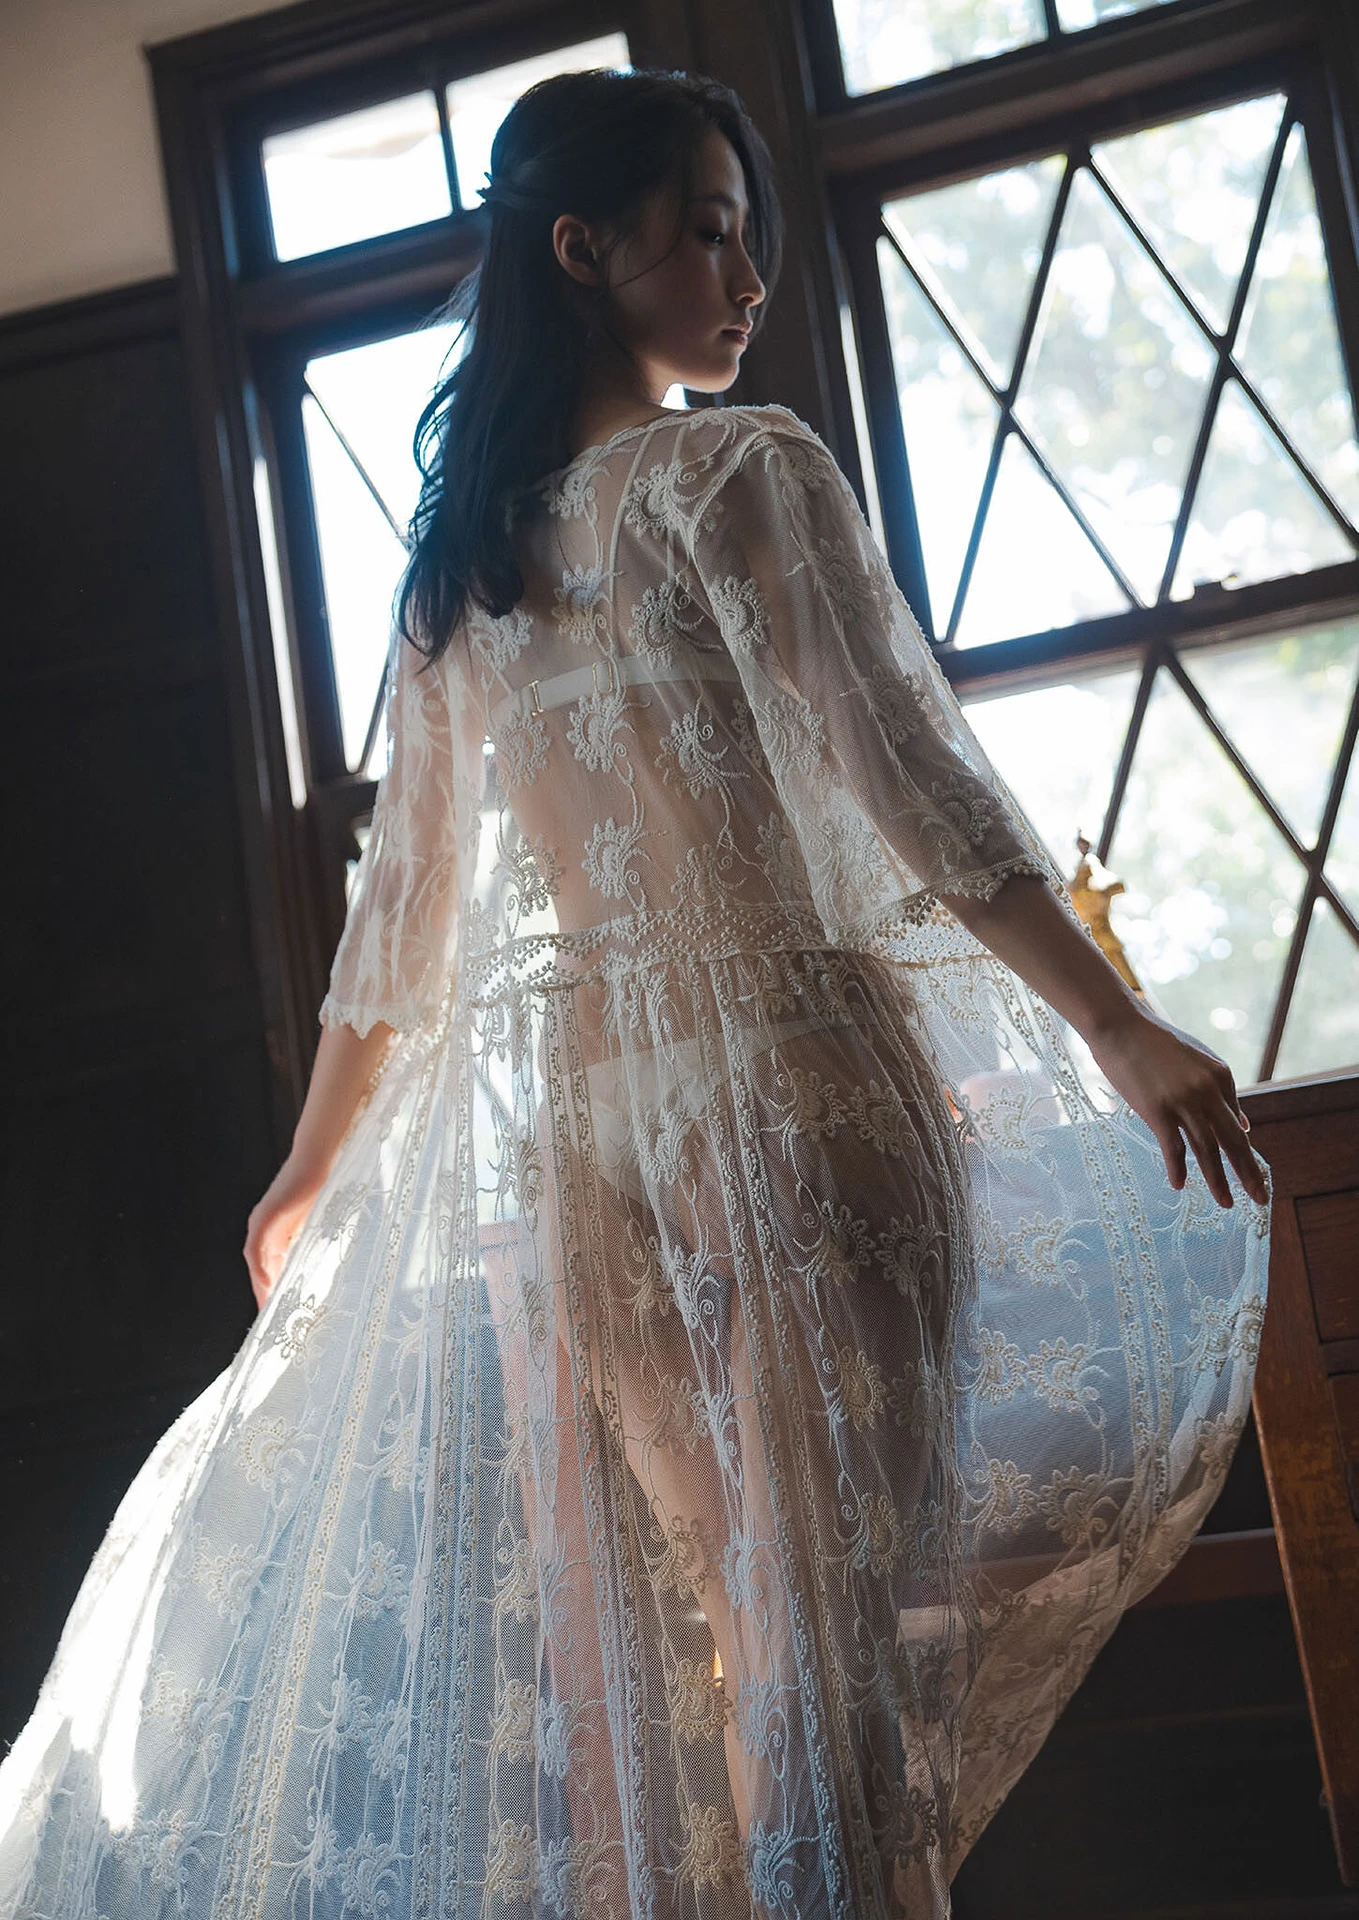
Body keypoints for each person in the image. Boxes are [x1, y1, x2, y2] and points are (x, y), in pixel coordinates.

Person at [0, 65, 1270, 1920]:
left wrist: (309, 1165)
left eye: (747, 234)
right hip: (786, 1077)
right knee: (825, 1637)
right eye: (710, 232)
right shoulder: (735, 471)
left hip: (580, 1127)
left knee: (753, 1649)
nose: (746, 279)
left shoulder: (456, 569)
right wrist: (1114, 1023)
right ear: (584, 250)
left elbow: (399, 924)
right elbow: (904, 777)